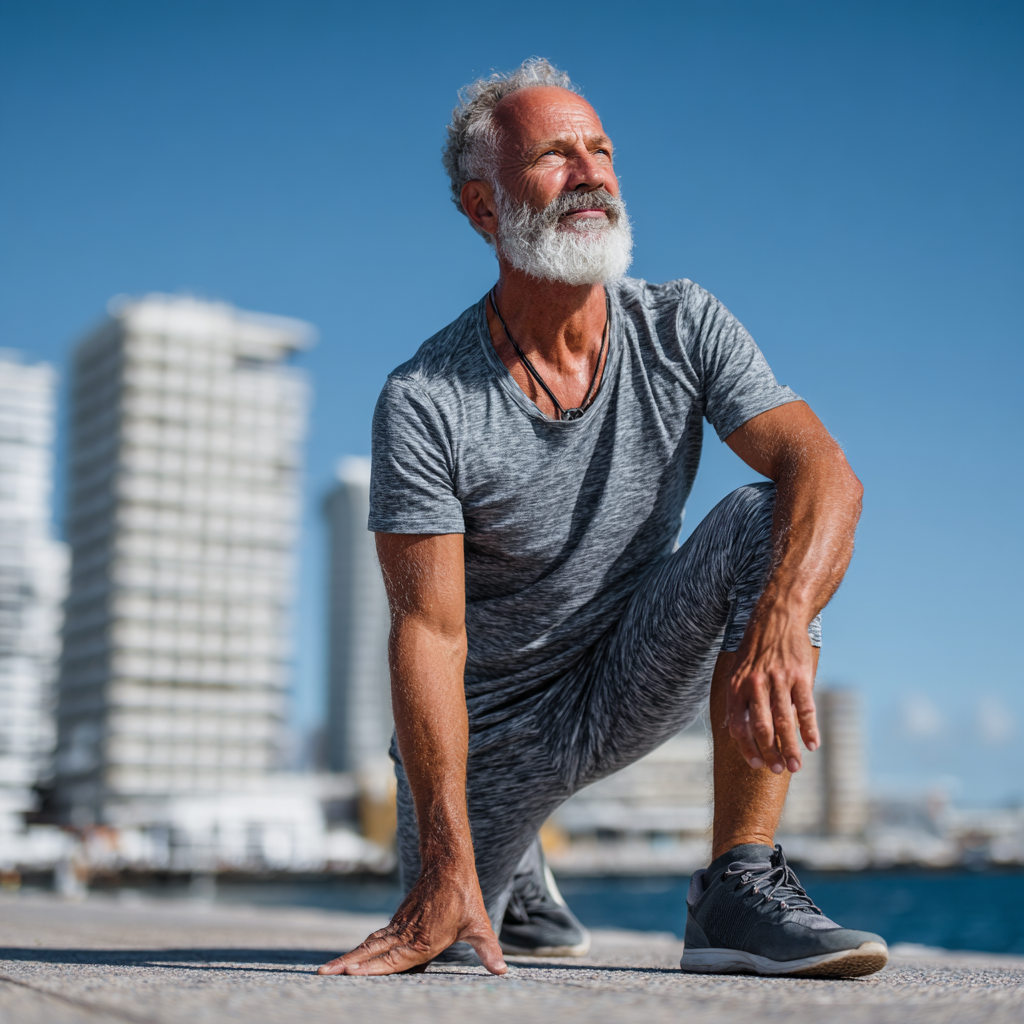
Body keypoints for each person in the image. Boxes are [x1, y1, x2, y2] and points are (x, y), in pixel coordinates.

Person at [319, 58, 887, 980]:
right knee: (462, 930)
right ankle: (512, 865)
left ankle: (737, 888)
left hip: (628, 668)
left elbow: (824, 468)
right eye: (553, 156)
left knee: (761, 515)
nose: (590, 172)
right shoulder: (426, 400)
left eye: (602, 149)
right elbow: (427, 637)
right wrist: (447, 866)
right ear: (482, 208)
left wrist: (783, 619)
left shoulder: (682, 325)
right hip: (493, 735)